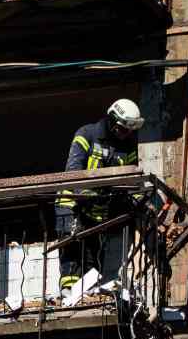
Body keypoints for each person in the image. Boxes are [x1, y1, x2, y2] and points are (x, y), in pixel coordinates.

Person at [56, 99, 142, 292]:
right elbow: (73, 172)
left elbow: (130, 182)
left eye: (129, 130)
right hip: (71, 206)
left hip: (97, 213)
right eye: (122, 128)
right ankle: (68, 294)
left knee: (91, 259)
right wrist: (86, 193)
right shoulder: (86, 134)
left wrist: (137, 199)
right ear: (111, 120)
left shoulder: (127, 148)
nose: (125, 134)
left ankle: (86, 293)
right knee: (73, 253)